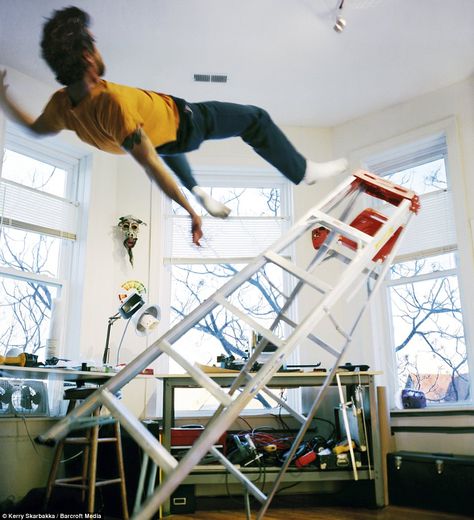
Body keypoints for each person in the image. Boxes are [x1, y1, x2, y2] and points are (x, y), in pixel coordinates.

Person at [0, 6, 348, 246]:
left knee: (164, 148)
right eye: (94, 41)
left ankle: (197, 188)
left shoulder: (63, 105)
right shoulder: (112, 104)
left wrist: (3, 98)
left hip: (165, 140)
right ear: (88, 55)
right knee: (255, 118)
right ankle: (302, 171)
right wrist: (189, 212)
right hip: (188, 121)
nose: (98, 47)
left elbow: (34, 128)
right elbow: (150, 165)